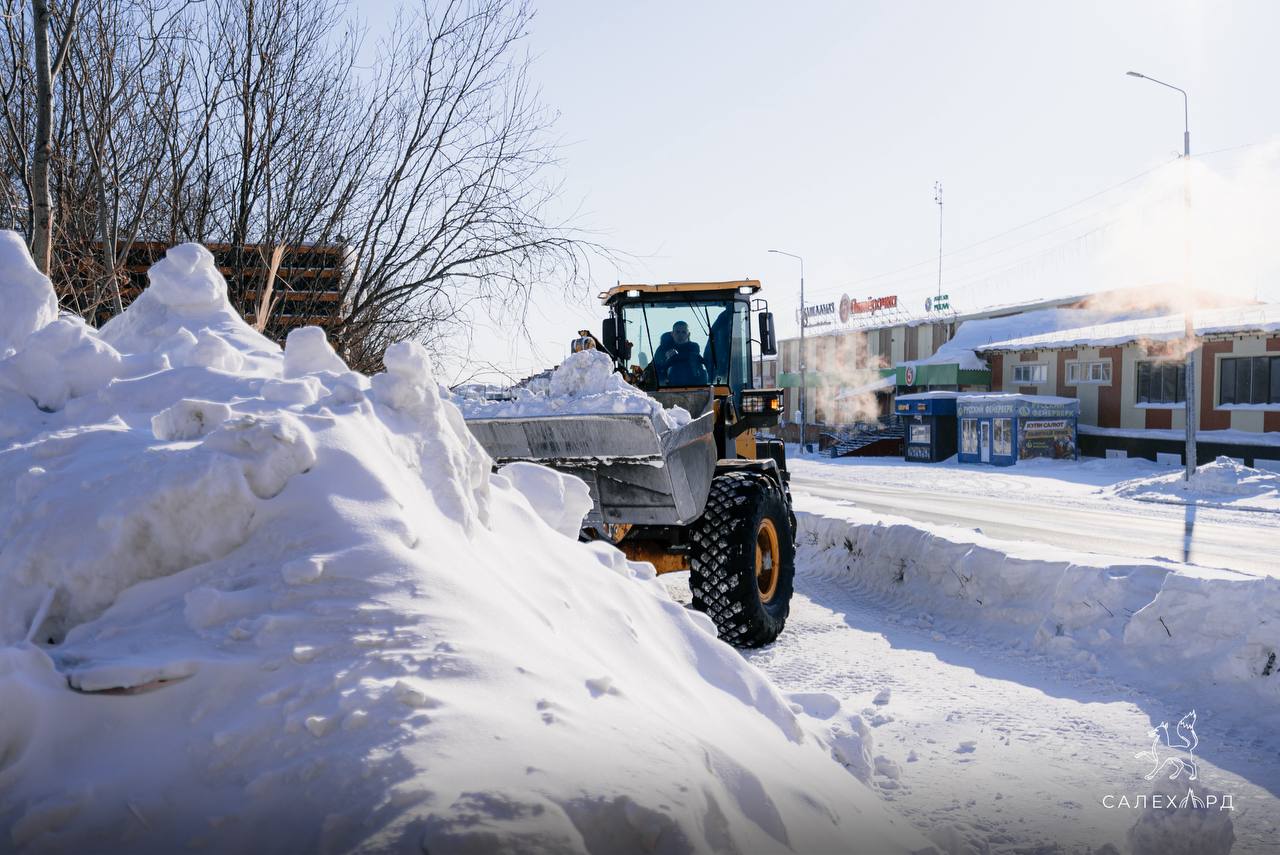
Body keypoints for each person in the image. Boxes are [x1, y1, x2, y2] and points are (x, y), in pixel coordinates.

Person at [653, 320, 708, 386]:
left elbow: (693, 357)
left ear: (688, 334)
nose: (680, 335)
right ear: (672, 334)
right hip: (666, 387)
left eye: (683, 332)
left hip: (693, 385)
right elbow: (656, 366)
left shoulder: (693, 346)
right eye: (677, 332)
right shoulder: (663, 348)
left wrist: (675, 356)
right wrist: (665, 358)